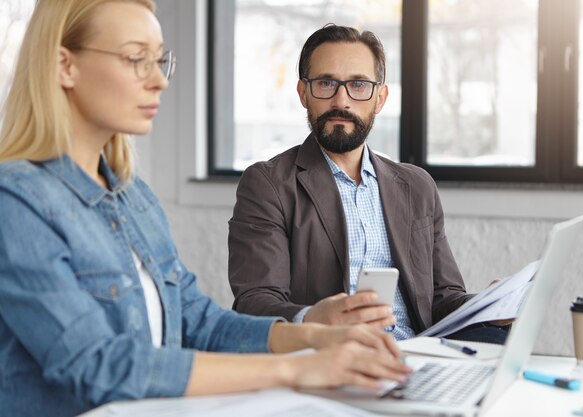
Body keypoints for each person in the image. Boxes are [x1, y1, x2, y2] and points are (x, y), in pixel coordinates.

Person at [0, 4, 411, 416]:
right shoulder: (16, 202)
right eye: (135, 59)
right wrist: (294, 369)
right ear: (65, 66)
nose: (159, 80)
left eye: (159, 60)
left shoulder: (131, 195)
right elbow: (95, 365)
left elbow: (198, 322)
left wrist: (314, 336)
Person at [228, 24, 510, 344]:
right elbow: (255, 302)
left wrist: (484, 307)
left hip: (420, 354)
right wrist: (313, 319)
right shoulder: (269, 184)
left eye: (358, 85)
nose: (342, 101)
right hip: (332, 357)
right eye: (325, 83)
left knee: (502, 351)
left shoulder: (417, 186)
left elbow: (443, 299)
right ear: (303, 93)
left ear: (380, 98)